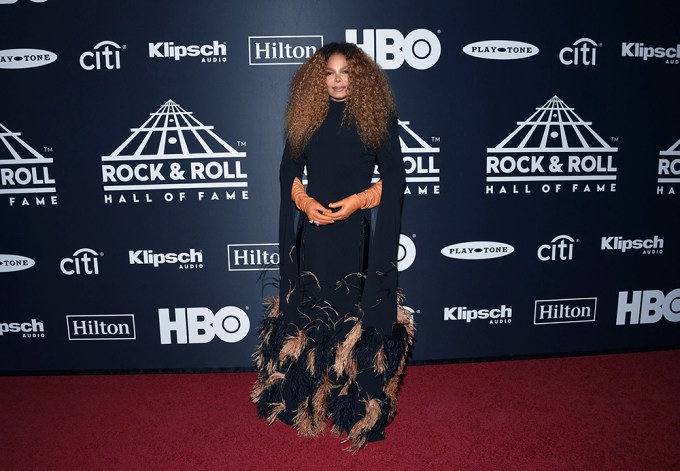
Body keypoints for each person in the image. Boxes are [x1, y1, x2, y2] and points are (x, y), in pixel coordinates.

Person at [251, 42, 414, 451]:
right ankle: (303, 404)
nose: (338, 80)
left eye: (346, 72)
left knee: (352, 315)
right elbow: (289, 167)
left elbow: (395, 175)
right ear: (317, 78)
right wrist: (305, 203)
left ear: (359, 77)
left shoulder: (377, 117)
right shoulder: (306, 116)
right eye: (330, 72)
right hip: (315, 233)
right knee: (309, 313)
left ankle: (352, 409)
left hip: (355, 236)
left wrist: (358, 201)